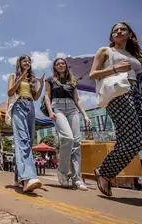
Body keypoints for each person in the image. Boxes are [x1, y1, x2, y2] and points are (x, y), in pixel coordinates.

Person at [89, 22, 142, 207]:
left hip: (138, 94)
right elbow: (93, 74)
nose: (118, 31)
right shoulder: (105, 51)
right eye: (115, 30)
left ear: (129, 34)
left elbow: (138, 75)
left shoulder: (134, 57)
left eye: (123, 29)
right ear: (111, 36)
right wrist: (115, 69)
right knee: (132, 141)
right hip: (119, 94)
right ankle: (105, 172)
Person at [44, 58, 91, 190]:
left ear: (66, 65)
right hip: (57, 107)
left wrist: (85, 115)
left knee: (77, 143)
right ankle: (62, 171)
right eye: (58, 63)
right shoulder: (50, 80)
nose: (61, 65)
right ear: (54, 66)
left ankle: (77, 178)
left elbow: (77, 99)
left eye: (63, 63)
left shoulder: (72, 80)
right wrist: (50, 111)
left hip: (72, 109)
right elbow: (47, 96)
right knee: (68, 138)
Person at [7, 55, 45, 192]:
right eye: (24, 61)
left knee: (28, 142)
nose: (27, 62)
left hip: (30, 107)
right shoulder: (13, 75)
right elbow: (10, 92)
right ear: (20, 63)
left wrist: (40, 85)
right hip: (18, 106)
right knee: (22, 140)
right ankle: (29, 178)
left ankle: (18, 177)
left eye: (29, 61)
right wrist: (20, 79)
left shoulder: (32, 79)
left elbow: (35, 97)